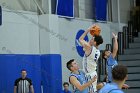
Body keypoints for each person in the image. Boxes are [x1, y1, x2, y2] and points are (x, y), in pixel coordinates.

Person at [79, 25, 103, 92]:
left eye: (92, 39)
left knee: (92, 91)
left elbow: (80, 39)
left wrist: (88, 30)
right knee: (92, 90)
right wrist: (95, 36)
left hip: (90, 74)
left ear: (95, 42)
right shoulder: (98, 51)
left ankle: (102, 86)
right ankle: (102, 85)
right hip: (91, 73)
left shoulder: (89, 48)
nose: (90, 39)